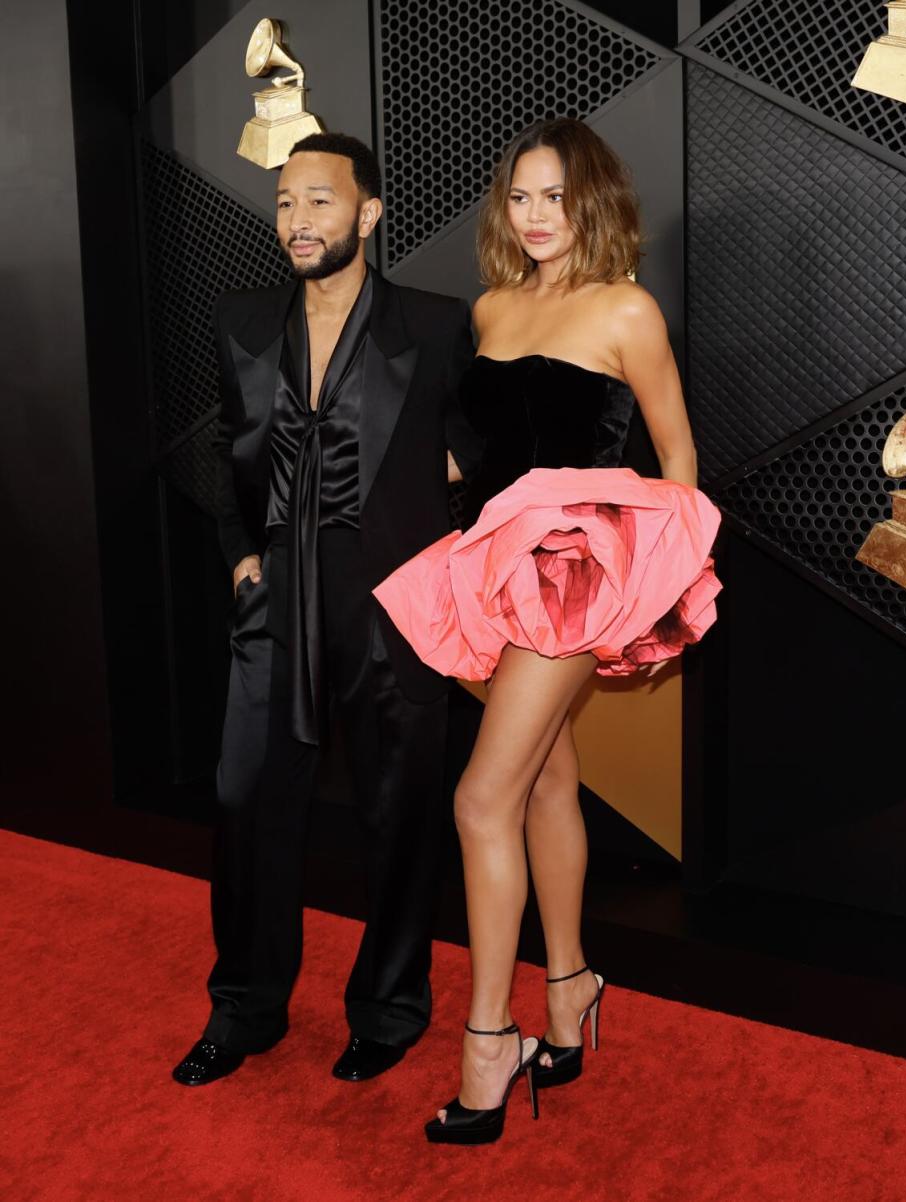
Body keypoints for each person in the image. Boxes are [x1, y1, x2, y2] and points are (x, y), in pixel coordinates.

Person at [373, 118, 720, 1144]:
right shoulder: (489, 306)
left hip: (578, 571)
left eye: (554, 197)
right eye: (519, 197)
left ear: (593, 202)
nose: (533, 217)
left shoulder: (626, 310)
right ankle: (570, 992)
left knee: (483, 796)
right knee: (545, 782)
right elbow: (483, 452)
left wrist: (638, 587)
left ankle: (492, 1042)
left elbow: (680, 463)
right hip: (494, 563)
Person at [171, 132, 479, 1087]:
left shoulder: (432, 324)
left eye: (319, 202)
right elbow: (227, 454)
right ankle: (246, 1008)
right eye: (285, 205)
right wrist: (240, 561)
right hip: (276, 596)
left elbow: (476, 454)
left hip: (390, 599)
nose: (297, 222)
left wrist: (431, 544)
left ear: (369, 214)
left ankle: (388, 1009)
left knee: (401, 809)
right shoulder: (244, 318)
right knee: (245, 800)